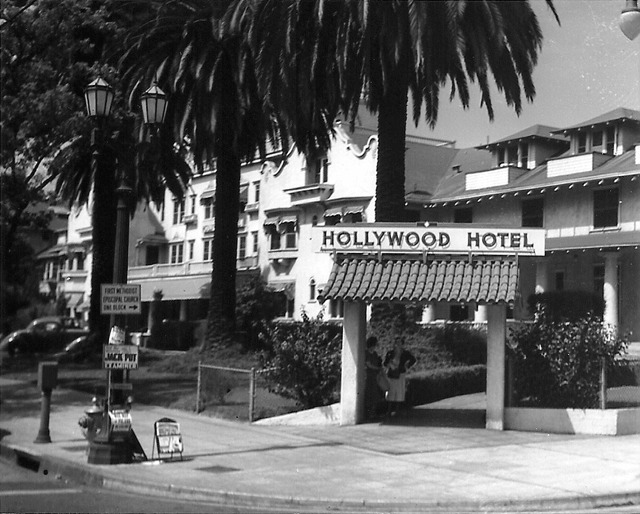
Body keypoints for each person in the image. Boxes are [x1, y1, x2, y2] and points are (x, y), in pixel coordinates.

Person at [383, 339, 416, 417]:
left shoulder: (405, 353)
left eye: (399, 343)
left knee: (399, 392)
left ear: (402, 344)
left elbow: (413, 360)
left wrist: (407, 366)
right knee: (391, 392)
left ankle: (397, 410)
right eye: (396, 342)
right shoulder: (390, 353)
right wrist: (389, 364)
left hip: (400, 374)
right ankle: (389, 410)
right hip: (391, 374)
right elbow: (385, 363)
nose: (397, 344)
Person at [364, 336, 383, 420]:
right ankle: (368, 413)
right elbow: (368, 364)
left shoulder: (375, 353)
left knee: (375, 394)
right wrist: (376, 368)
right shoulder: (366, 353)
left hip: (375, 375)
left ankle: (373, 412)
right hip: (369, 375)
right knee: (369, 394)